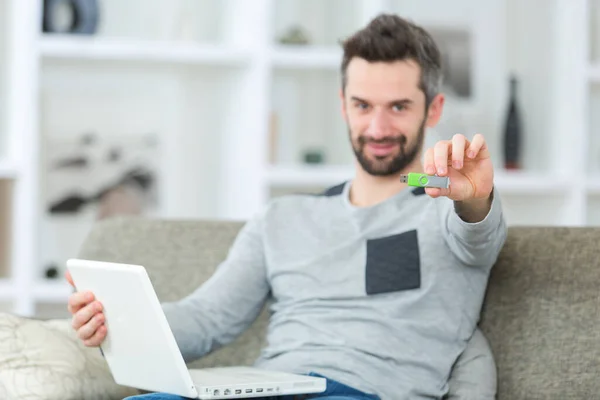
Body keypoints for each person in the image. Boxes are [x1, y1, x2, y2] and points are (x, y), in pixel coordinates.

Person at [66, 13, 507, 400]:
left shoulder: (449, 209)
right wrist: (118, 321)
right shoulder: (281, 219)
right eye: (362, 105)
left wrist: (475, 197)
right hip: (268, 387)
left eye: (398, 106)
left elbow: (479, 235)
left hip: (363, 392)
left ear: (433, 110)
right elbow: (208, 318)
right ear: (343, 106)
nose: (378, 126)